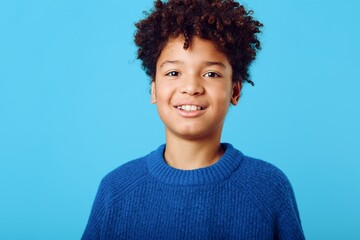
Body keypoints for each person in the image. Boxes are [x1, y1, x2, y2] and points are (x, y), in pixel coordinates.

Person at [82, 0, 305, 239]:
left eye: (211, 74)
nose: (191, 87)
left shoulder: (268, 188)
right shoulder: (117, 189)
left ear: (235, 91)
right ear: (154, 90)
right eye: (173, 73)